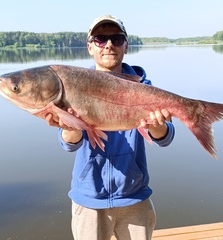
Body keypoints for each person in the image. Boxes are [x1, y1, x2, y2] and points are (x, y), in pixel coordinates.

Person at [46, 15, 175, 240]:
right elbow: (68, 143)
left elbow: (165, 138)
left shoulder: (143, 88)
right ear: (89, 47)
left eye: (116, 39)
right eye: (100, 39)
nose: (108, 45)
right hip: (89, 200)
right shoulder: (74, 86)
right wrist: (71, 126)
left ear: (126, 45)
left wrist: (157, 126)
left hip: (135, 197)